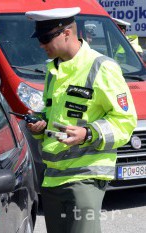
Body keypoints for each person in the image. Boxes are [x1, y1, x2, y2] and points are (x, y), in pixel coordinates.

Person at [25, 7, 137, 233]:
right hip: (53, 178)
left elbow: (125, 121)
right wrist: (39, 126)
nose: (41, 45)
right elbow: (52, 116)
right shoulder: (53, 70)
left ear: (66, 33)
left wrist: (87, 134)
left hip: (84, 177)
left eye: (46, 38)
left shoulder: (102, 67)